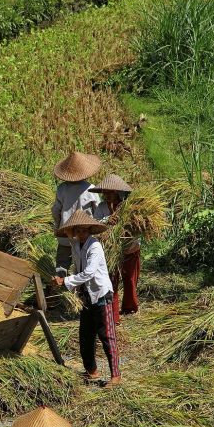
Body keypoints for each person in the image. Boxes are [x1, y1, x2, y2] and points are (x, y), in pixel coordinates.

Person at [52, 209, 121, 387]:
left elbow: (89, 273)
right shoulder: (77, 245)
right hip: (86, 297)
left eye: (84, 230)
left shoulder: (95, 246)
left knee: (107, 336)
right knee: (85, 336)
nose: (80, 233)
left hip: (100, 295)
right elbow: (77, 268)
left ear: (90, 230)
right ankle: (92, 371)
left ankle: (116, 376)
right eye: (77, 230)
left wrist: (66, 281)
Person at [90, 174, 141, 326]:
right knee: (111, 282)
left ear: (118, 192)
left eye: (110, 192)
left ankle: (130, 308)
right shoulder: (101, 207)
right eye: (104, 193)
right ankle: (113, 315)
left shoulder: (128, 206)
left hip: (130, 248)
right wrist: (107, 220)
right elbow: (95, 224)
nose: (106, 195)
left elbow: (137, 227)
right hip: (111, 252)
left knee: (130, 279)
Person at [51, 151, 101, 275]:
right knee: (84, 265)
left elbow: (56, 210)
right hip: (84, 233)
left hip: (66, 232)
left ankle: (58, 286)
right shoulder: (91, 189)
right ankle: (80, 288)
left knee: (62, 264)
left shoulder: (62, 189)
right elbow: (97, 212)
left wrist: (58, 226)